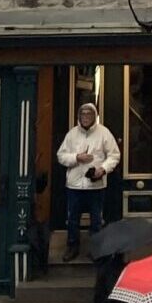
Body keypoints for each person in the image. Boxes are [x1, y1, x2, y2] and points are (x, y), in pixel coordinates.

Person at [57, 101, 120, 262]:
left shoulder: (104, 133)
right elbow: (61, 156)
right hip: (75, 185)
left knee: (96, 219)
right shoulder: (72, 134)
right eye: (83, 114)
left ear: (95, 115)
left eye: (89, 114)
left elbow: (114, 155)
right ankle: (72, 246)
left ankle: (95, 249)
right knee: (72, 219)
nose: (85, 117)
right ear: (79, 116)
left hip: (96, 185)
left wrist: (103, 169)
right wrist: (76, 158)